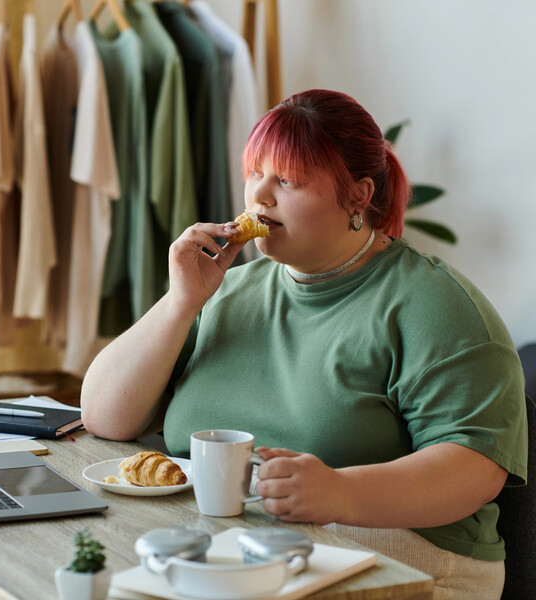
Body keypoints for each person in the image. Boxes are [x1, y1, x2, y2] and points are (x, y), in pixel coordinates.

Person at [80, 89, 527, 599]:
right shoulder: (228, 290)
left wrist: (341, 493)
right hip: (229, 541)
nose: (259, 197)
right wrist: (180, 302)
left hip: (403, 558)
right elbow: (104, 417)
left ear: (358, 196)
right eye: (255, 173)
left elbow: (474, 468)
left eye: (287, 180)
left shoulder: (435, 306)